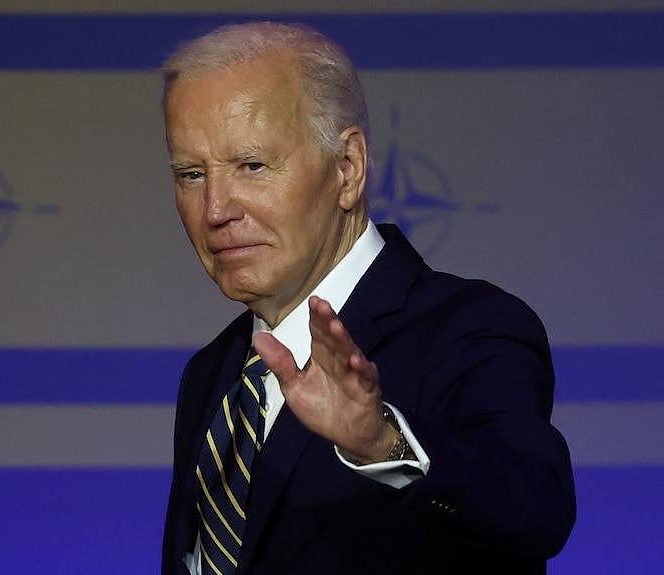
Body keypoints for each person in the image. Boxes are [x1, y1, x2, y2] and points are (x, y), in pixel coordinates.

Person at [160, 22, 575, 575]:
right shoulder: (213, 372)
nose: (215, 210)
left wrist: (382, 444)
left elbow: (535, 511)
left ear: (347, 168)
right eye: (191, 174)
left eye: (252, 166)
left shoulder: (472, 328)